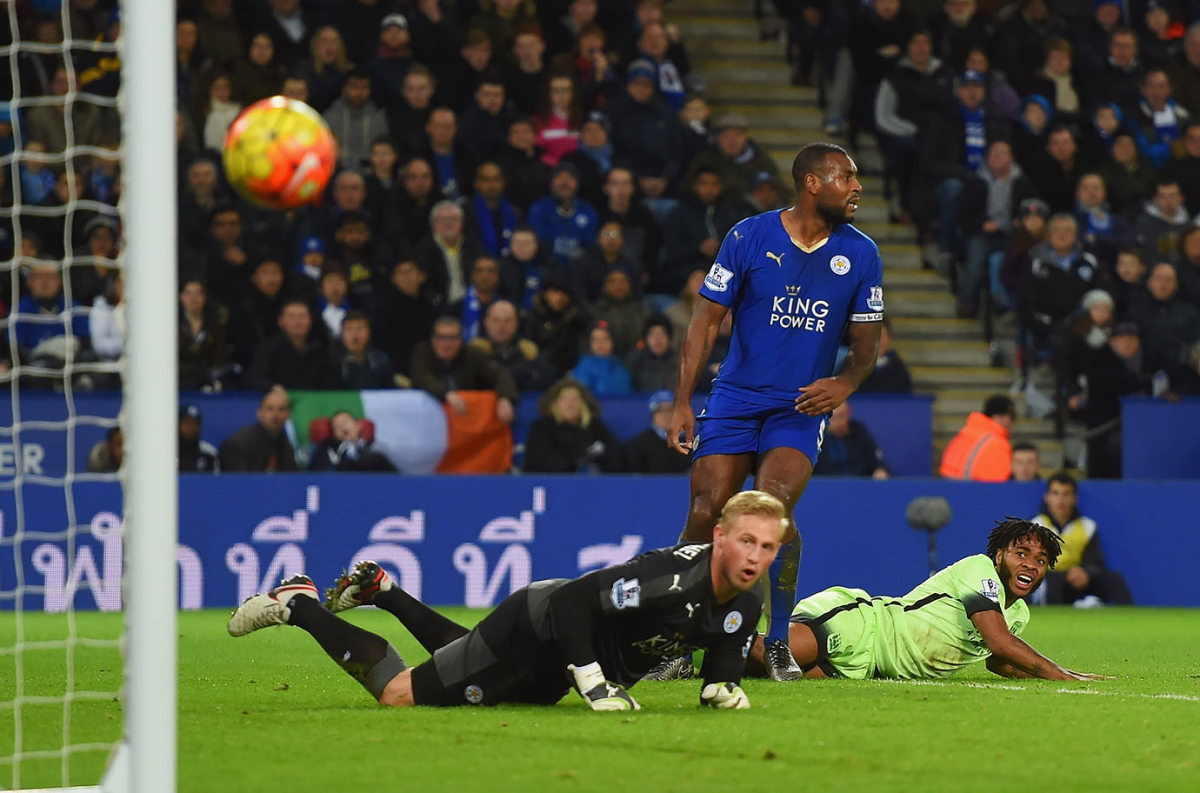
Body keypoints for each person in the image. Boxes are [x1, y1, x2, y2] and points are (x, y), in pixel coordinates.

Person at [228, 490, 786, 710]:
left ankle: (384, 593)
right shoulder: (669, 579)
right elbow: (573, 603)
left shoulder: (746, 603)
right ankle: (299, 604)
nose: (755, 555)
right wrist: (593, 681)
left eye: (766, 546)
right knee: (400, 695)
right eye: (745, 540)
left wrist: (722, 686)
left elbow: (724, 656)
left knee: (474, 661)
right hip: (539, 627)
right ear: (718, 536)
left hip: (556, 665)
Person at [665, 142, 884, 681]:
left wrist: (846, 382)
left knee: (773, 506)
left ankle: (778, 640)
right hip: (735, 399)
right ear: (812, 182)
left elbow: (866, 342)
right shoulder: (748, 236)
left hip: (799, 406)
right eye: (847, 178)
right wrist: (681, 401)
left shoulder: (861, 253)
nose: (857, 188)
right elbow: (705, 321)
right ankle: (672, 639)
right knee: (705, 507)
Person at [746, 519, 1110, 682]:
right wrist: (1061, 674)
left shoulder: (1018, 614)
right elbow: (999, 641)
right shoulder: (978, 568)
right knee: (770, 654)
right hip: (863, 626)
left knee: (753, 671)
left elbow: (999, 661)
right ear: (999, 556)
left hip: (869, 665)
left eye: (1041, 561)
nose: (1030, 564)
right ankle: (702, 629)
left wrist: (1040, 676)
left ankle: (695, 659)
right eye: (1021, 553)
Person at [1032, 473, 1133, 605]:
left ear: (1074, 498)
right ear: (1047, 497)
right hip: (1050, 581)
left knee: (1114, 579)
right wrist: (1064, 575)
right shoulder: (1036, 526)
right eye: (1056, 493)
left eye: (1066, 494)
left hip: (1078, 580)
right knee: (1049, 582)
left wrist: (1085, 572)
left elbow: (1096, 562)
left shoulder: (1087, 526)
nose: (1061, 500)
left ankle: (1127, 617)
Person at [523, 378, 623, 474]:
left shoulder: (595, 426)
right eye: (564, 399)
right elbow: (545, 462)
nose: (570, 404)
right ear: (554, 403)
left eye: (575, 399)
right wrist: (579, 459)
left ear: (584, 404)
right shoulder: (542, 428)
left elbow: (614, 458)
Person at [219, 385, 297, 472]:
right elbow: (237, 482)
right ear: (259, 413)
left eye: (281, 409)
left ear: (288, 415)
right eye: (270, 409)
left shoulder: (287, 447)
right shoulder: (239, 444)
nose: (276, 415)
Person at [939, 394, 1015, 481]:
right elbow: (998, 483)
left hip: (946, 488)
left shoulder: (966, 433)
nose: (1007, 422)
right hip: (973, 491)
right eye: (1001, 417)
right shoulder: (997, 443)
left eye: (1010, 418)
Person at [623, 390, 692, 475]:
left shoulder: (690, 443)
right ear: (653, 415)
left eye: (670, 410)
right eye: (660, 410)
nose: (665, 414)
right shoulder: (637, 445)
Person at [811, 402, 887, 478]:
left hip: (859, 485)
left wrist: (880, 471)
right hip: (825, 485)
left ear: (848, 413)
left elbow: (876, 462)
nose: (838, 423)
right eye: (833, 418)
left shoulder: (860, 434)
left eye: (841, 416)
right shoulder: (816, 439)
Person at [308, 411, 396, 472]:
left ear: (358, 426)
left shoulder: (376, 452)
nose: (343, 428)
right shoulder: (325, 452)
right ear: (334, 434)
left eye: (345, 422)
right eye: (337, 426)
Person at [178, 404, 219, 473]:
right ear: (178, 424)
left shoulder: (209, 453)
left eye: (195, 424)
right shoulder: (166, 453)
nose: (191, 428)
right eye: (187, 423)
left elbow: (216, 481)